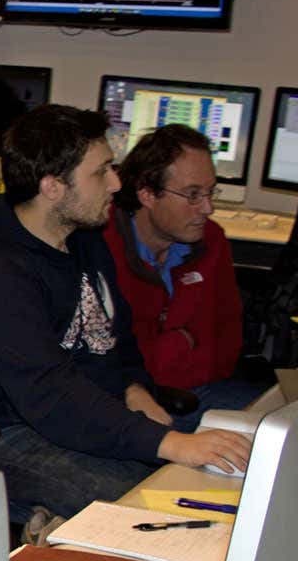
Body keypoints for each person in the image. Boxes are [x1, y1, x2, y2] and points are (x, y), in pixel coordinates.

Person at [0, 104, 251, 525]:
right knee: (157, 515)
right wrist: (168, 442)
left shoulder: (85, 240)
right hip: (4, 437)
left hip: (85, 417)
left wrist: (135, 390)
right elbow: (51, 396)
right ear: (53, 187)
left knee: (210, 492)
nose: (117, 183)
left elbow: (118, 340)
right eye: (101, 172)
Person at [103, 123, 264, 432]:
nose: (208, 207)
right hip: (122, 399)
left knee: (282, 428)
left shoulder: (211, 241)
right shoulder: (102, 244)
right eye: (192, 195)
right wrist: (180, 343)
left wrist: (162, 358)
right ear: (147, 194)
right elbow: (107, 361)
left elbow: (226, 343)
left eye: (210, 191)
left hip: (198, 390)